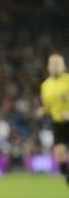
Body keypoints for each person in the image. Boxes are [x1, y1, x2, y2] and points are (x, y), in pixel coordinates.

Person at [40, 53, 69, 184]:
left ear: (63, 65)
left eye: (58, 63)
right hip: (58, 122)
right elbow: (47, 106)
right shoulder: (45, 85)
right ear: (48, 66)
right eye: (53, 63)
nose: (55, 66)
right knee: (59, 150)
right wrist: (43, 111)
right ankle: (66, 174)